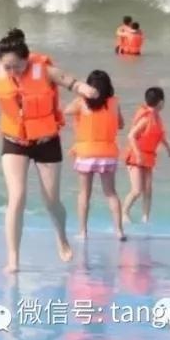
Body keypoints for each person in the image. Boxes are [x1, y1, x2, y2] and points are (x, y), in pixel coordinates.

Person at [0, 34, 97, 273]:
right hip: (14, 140)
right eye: (7, 67)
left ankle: (61, 237)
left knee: (51, 200)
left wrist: (83, 88)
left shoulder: (45, 70)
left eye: (17, 66)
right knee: (16, 197)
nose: (13, 72)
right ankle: (13, 259)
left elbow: (68, 80)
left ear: (27, 59)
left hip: (46, 140)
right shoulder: (2, 73)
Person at [65, 71, 125, 241]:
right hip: (108, 153)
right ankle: (119, 231)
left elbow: (66, 111)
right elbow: (121, 124)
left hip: (86, 153)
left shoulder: (81, 102)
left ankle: (83, 232)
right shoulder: (114, 102)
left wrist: (80, 92)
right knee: (111, 193)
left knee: (84, 194)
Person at [122, 87, 170, 223]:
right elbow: (131, 136)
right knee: (137, 190)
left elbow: (159, 135)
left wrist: (168, 147)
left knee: (148, 190)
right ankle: (124, 212)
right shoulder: (146, 118)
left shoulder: (156, 118)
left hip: (148, 157)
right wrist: (138, 154)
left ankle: (145, 217)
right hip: (135, 158)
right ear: (161, 102)